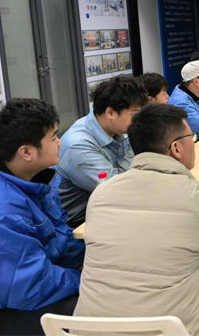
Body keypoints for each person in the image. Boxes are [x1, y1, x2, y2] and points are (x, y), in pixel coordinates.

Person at [74, 104, 199, 336]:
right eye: (191, 136)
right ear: (176, 148)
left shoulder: (102, 192)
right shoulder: (196, 197)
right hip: (166, 332)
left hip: (87, 331)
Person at [0, 99, 84, 336]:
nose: (60, 142)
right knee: (96, 312)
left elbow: (59, 238)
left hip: (23, 289)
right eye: (53, 137)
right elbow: (26, 287)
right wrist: (85, 279)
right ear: (26, 152)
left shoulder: (31, 179)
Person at [58, 75, 148, 228]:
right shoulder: (79, 146)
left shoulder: (116, 127)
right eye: (134, 115)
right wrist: (137, 143)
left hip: (106, 210)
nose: (139, 121)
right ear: (110, 113)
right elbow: (116, 190)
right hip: (78, 224)